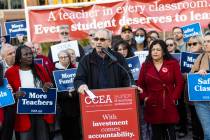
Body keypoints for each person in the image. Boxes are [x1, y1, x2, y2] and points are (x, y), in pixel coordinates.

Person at [5, 45, 54, 140]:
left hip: (41, 113)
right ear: (19, 58)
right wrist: (15, 95)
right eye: (26, 54)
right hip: (23, 116)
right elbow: (6, 96)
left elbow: (50, 85)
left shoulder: (40, 68)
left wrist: (47, 85)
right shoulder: (10, 73)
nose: (29, 56)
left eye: (30, 54)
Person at [137, 40, 184, 140]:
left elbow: (179, 82)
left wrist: (174, 98)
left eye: (158, 49)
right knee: (156, 134)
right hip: (152, 103)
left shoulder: (173, 64)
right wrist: (145, 98)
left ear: (163, 52)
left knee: (170, 134)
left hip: (168, 102)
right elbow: (140, 85)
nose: (155, 52)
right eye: (153, 49)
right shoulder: (145, 66)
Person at [74, 29, 135, 93]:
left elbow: (127, 77)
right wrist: (81, 85)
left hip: (116, 99)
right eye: (96, 39)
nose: (98, 42)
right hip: (95, 100)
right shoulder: (86, 60)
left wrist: (132, 86)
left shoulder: (118, 57)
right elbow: (78, 79)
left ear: (109, 42)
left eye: (102, 40)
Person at [55, 50, 81, 140]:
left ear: (69, 58)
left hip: (75, 106)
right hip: (63, 108)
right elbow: (55, 91)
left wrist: (73, 93)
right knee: (66, 133)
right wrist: (67, 94)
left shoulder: (76, 70)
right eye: (61, 57)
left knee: (76, 132)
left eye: (65, 57)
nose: (63, 59)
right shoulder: (54, 72)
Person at [190, 32, 210, 140]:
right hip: (202, 102)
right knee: (208, 132)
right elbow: (191, 76)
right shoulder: (200, 58)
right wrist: (197, 74)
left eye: (209, 41)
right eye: (205, 41)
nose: (206, 44)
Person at [0, 44, 16, 140]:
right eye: (10, 53)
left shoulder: (21, 66)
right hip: (4, 104)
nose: (13, 55)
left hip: (19, 102)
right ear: (3, 56)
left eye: (14, 52)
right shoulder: (0, 66)